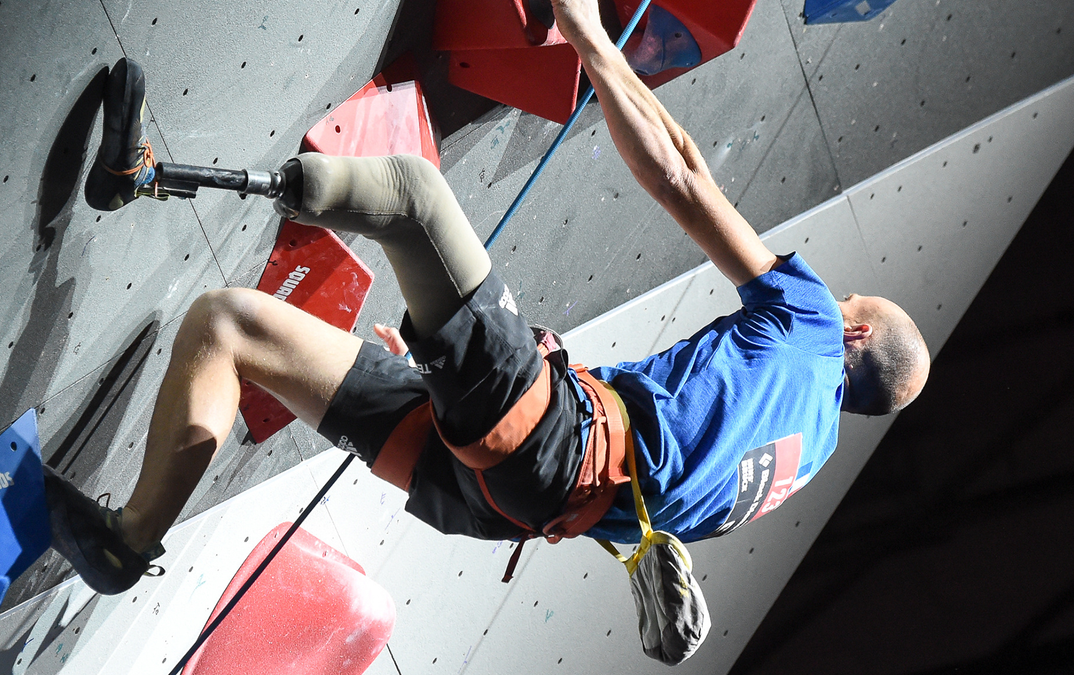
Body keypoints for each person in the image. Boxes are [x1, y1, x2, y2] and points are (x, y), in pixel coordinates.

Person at [45, 0, 929, 595]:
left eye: (848, 301)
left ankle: (146, 178)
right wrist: (449, 389)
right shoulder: (796, 461)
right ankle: (127, 541)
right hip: (507, 499)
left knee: (411, 197)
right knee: (226, 326)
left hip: (545, 434)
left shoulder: (813, 322)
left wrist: (588, 36)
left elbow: (683, 177)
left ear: (853, 328)